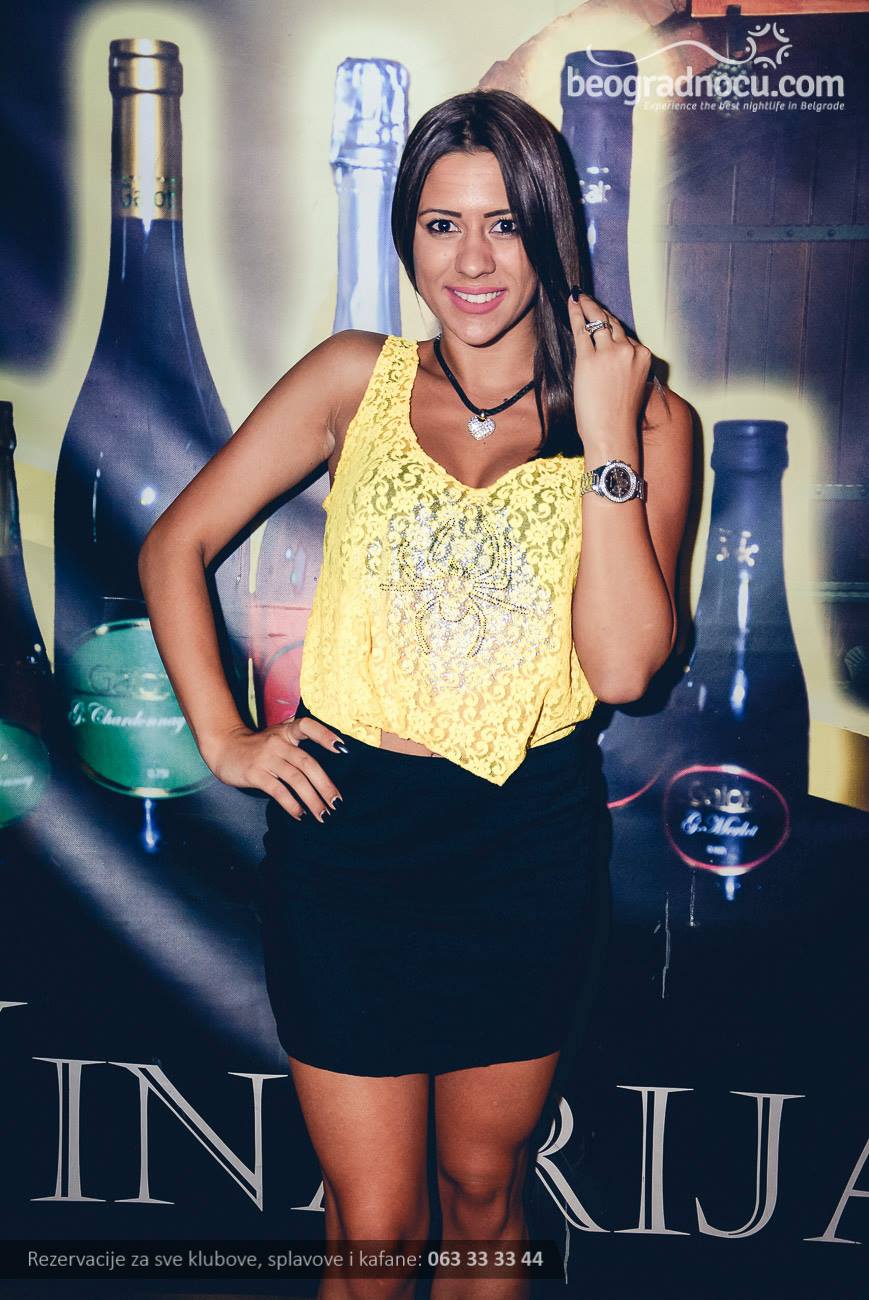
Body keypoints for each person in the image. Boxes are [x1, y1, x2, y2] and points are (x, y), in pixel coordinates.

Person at [139, 88, 692, 1299]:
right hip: (350, 842)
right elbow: (174, 545)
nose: (472, 261)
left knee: (483, 1192)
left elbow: (622, 668)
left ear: (550, 232)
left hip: (526, 842)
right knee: (376, 1230)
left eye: (503, 224)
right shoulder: (354, 378)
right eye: (441, 225)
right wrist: (225, 737)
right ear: (405, 235)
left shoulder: (650, 419)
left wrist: (604, 436)